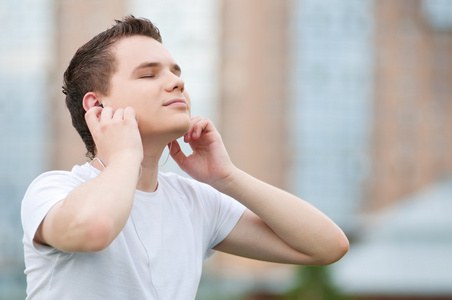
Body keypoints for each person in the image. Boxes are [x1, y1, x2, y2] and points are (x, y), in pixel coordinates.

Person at [21, 15, 349, 299]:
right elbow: (95, 229)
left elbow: (327, 246)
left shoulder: (194, 202)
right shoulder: (54, 191)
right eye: (149, 74)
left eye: (176, 73)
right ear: (96, 106)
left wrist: (227, 178)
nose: (176, 82)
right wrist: (125, 156)